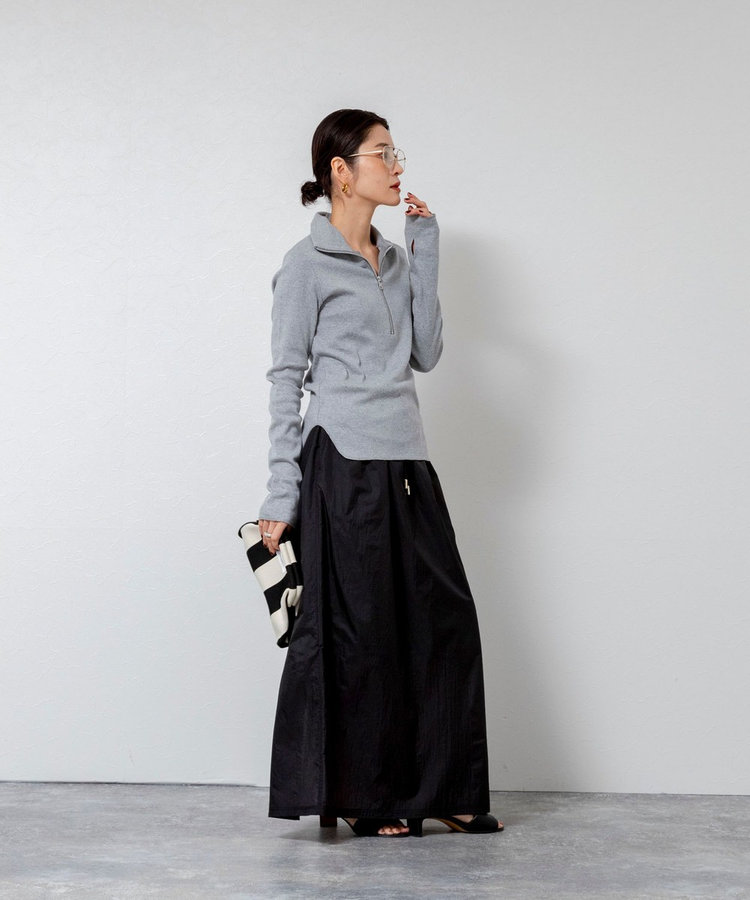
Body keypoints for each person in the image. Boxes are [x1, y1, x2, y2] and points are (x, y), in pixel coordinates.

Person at [257, 108, 503, 838]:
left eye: (398, 153)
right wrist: (281, 491)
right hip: (342, 461)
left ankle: (445, 790)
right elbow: (284, 379)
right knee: (362, 632)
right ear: (341, 170)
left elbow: (425, 353)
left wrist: (425, 250)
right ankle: (370, 796)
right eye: (382, 153)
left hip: (407, 458)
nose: (397, 166)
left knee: (443, 621)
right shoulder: (305, 266)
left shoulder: (395, 258)